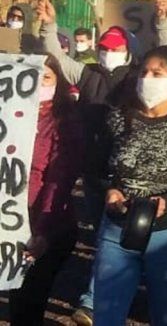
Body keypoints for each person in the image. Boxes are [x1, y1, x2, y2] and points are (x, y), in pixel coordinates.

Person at [37, 0, 167, 325]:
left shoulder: (137, 77)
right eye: (104, 47)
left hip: (132, 169)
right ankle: (99, 298)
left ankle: (99, 298)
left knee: (122, 236)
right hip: (96, 171)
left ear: (127, 51)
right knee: (107, 235)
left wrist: (162, 20)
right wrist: (49, 24)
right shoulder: (86, 74)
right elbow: (53, 57)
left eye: (114, 48)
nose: (107, 53)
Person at [92, 46, 167, 325]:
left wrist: (166, 202)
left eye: (157, 73)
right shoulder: (118, 118)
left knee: (166, 316)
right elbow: (94, 168)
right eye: (144, 72)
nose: (147, 78)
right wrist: (108, 189)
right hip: (118, 230)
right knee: (106, 315)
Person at [8, 55, 84, 326]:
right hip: (8, 221)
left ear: (58, 82)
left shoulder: (64, 123)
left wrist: (42, 231)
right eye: (31, 74)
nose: (38, 82)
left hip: (44, 225)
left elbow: (59, 181)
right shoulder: (7, 116)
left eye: (47, 76)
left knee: (27, 302)